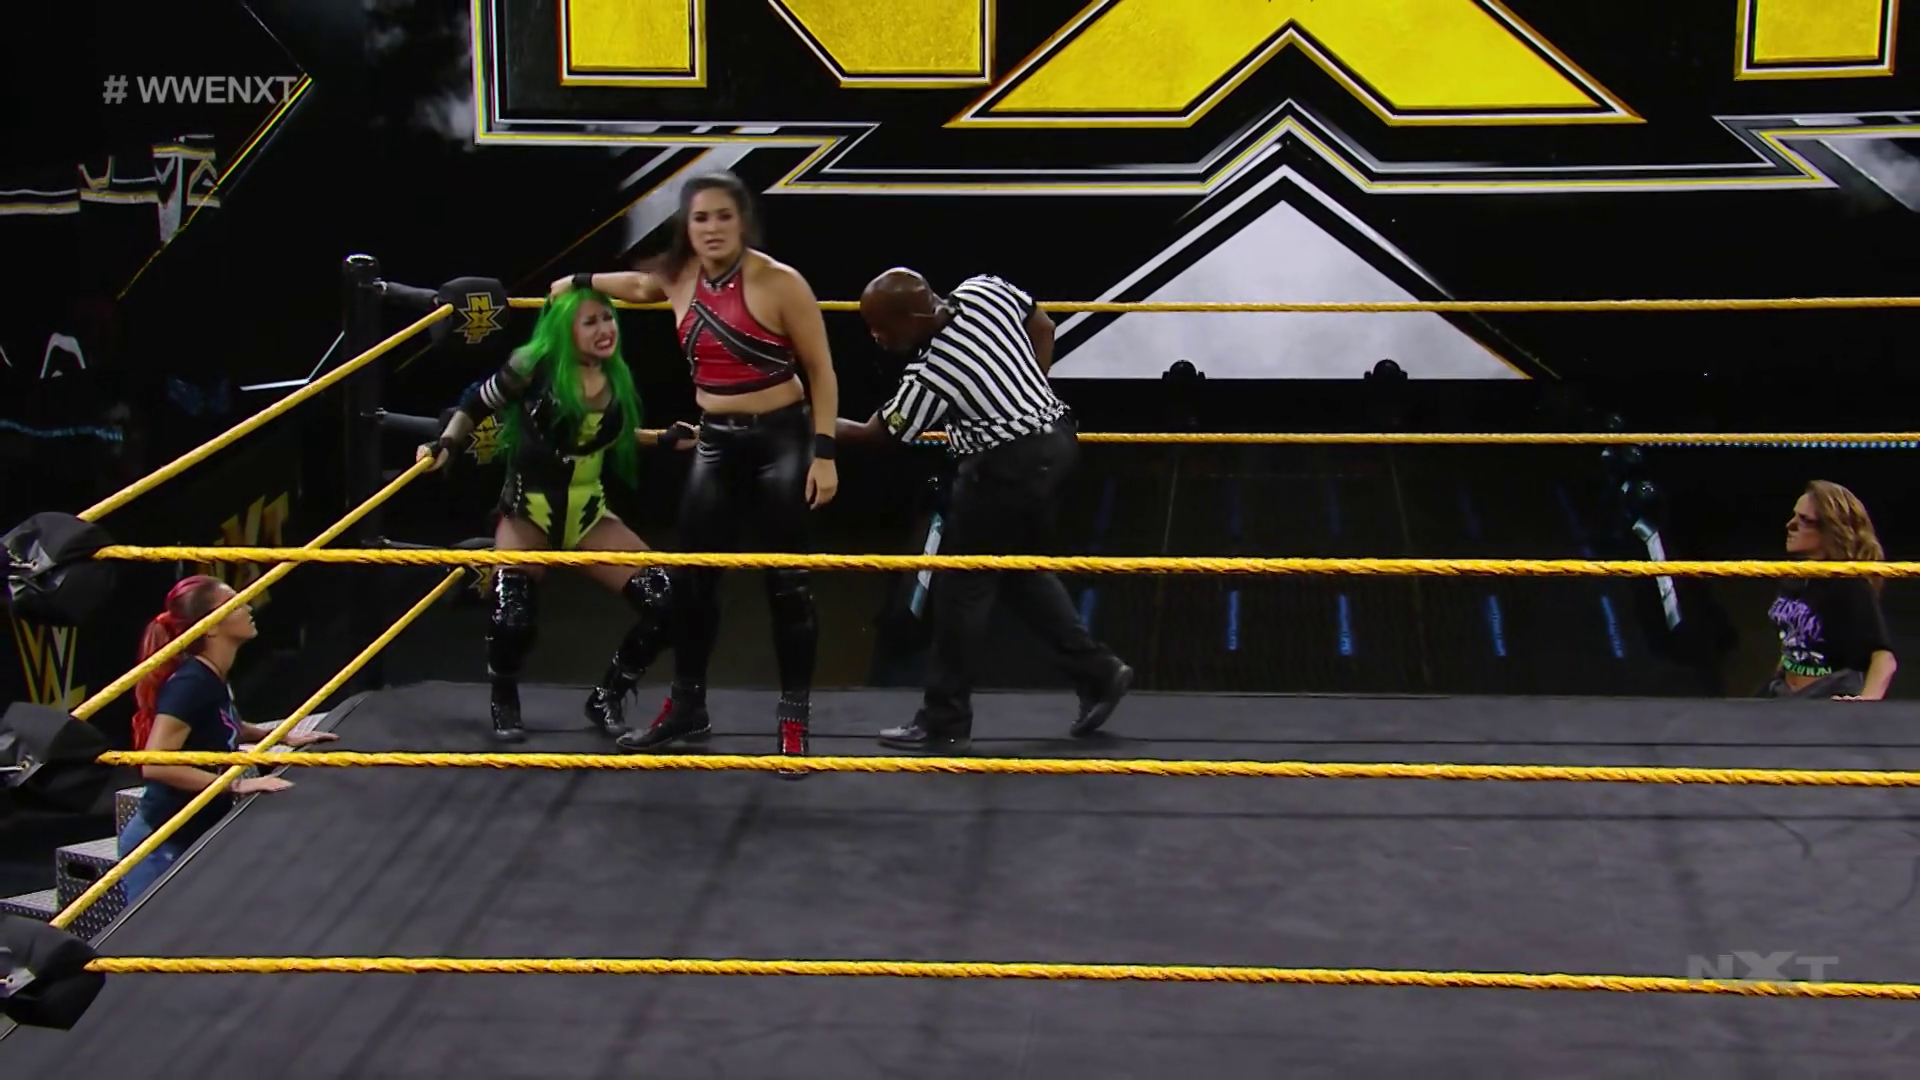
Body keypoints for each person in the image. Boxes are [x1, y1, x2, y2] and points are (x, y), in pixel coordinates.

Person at [553, 171, 841, 769]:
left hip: (781, 440)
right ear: (686, 226)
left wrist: (825, 453)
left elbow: (822, 370)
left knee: (787, 584)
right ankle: (687, 706)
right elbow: (637, 285)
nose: (712, 229)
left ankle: (793, 719)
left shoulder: (780, 282)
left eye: (723, 216)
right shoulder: (677, 275)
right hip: (716, 442)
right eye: (700, 218)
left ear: (743, 222)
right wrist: (577, 281)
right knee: (693, 582)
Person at [834, 267, 1131, 751]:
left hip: (1007, 466)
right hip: (1056, 442)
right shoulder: (983, 291)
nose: (876, 337)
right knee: (1019, 572)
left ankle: (944, 719)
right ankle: (1098, 672)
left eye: (882, 326)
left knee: (960, 590)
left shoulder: (934, 372)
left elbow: (877, 435)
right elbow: (1044, 326)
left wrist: (809, 423)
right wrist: (1024, 396)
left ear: (914, 317)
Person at [422, 287, 697, 743]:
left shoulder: (615, 376)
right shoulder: (533, 365)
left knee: (669, 603)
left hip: (587, 513)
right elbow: (475, 403)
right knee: (513, 618)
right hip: (528, 512)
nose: (604, 330)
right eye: (589, 322)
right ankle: (503, 694)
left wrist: (662, 439)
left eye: (607, 319)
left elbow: (604, 436)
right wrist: (447, 443)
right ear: (565, 330)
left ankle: (608, 695)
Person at [118, 575, 338, 901]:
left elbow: (222, 722)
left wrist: (279, 736)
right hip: (160, 844)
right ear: (210, 627)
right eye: (235, 604)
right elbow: (155, 764)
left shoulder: (211, 674)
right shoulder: (191, 683)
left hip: (188, 834)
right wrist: (235, 785)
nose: (248, 608)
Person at [1764, 480, 1898, 700]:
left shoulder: (1849, 584)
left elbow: (1884, 658)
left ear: (1830, 529)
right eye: (1794, 516)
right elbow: (1793, 642)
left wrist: (1866, 703)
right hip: (1787, 693)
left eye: (1804, 520)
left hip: (1827, 695)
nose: (1790, 525)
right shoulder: (1794, 578)